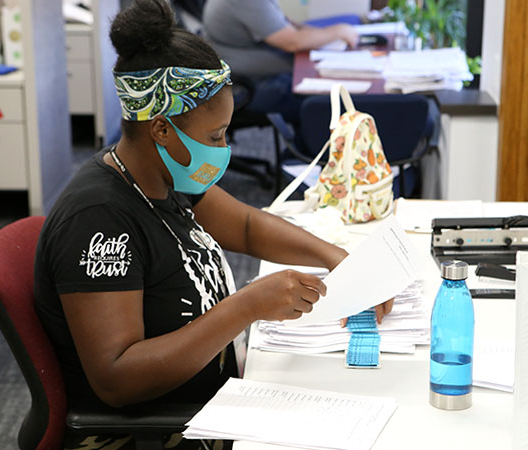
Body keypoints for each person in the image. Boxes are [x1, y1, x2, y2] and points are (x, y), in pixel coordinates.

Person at [34, 1, 391, 449]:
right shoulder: (99, 220)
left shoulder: (166, 175)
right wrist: (247, 306)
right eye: (215, 136)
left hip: (215, 402)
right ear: (162, 130)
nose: (222, 149)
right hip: (160, 433)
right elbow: (117, 379)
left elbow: (244, 226)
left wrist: (335, 256)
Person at [202, 0, 358, 124]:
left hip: (247, 76)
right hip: (244, 87)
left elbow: (283, 23)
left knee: (323, 92)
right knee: (321, 103)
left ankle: (303, 149)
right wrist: (339, 31)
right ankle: (300, 157)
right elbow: (292, 43)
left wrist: (320, 33)